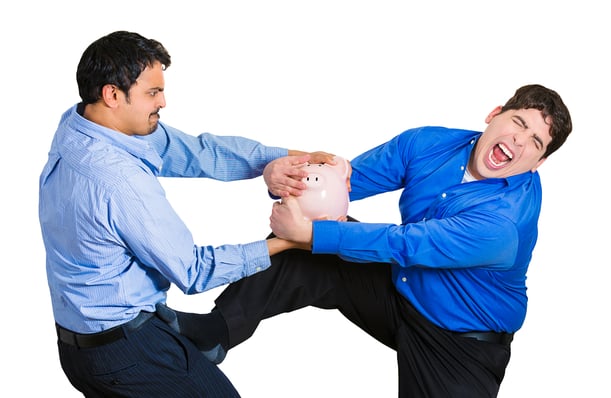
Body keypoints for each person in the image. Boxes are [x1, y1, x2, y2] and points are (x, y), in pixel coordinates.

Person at [170, 84, 573, 397]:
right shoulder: (427, 143)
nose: (520, 141)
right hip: (401, 292)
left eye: (535, 142)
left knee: (316, 238)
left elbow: (409, 243)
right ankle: (216, 332)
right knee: (304, 249)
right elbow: (339, 187)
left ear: (538, 163)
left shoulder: (505, 222)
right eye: (519, 123)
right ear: (495, 114)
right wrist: (279, 178)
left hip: (460, 345)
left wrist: (311, 232)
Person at [38, 30, 336, 397]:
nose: (163, 101)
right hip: (126, 353)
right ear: (112, 95)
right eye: (152, 93)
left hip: (77, 348)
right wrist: (286, 241)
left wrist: (290, 158)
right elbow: (194, 271)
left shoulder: (78, 124)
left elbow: (198, 153)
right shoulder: (119, 182)